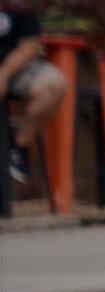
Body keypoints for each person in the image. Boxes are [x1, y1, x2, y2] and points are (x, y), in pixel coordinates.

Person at [1, 4, 68, 190]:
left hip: (14, 69)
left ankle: (19, 148)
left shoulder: (18, 6)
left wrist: (4, 73)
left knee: (54, 84)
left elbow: (30, 46)